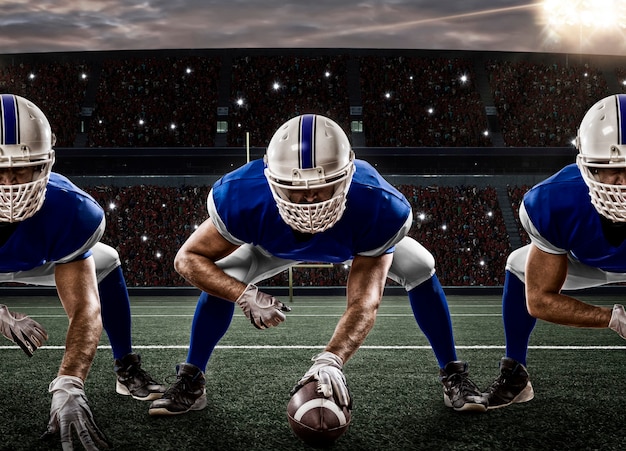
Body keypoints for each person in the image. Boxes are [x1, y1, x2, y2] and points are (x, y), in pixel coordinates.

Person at [149, 113, 487, 419]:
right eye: (296, 189)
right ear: (271, 180)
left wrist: (333, 358)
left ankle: (453, 373)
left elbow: (364, 302)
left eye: (324, 185)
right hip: (271, 246)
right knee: (230, 274)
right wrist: (243, 295)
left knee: (421, 266)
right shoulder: (242, 196)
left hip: (353, 245)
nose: (311, 199)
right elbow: (187, 259)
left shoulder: (379, 205)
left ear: (348, 175)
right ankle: (192, 377)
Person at [0, 94, 165, 450]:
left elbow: (86, 308)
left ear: (46, 165)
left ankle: (126, 367)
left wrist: (69, 383)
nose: (10, 184)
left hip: (39, 256)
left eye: (23, 167)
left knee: (106, 260)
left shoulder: (72, 210)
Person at [484, 93, 626, 409]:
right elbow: (539, 300)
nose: (624, 183)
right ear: (589, 167)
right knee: (518, 266)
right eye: (612, 167)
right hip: (587, 262)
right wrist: (614, 318)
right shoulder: (553, 201)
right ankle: (516, 373)